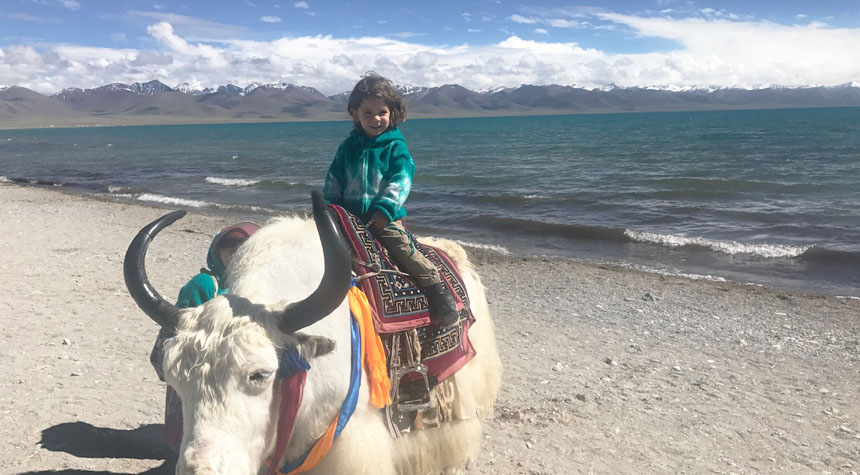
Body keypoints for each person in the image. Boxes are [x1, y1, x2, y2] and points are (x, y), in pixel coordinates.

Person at [322, 73, 459, 328]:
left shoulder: (396, 146)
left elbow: (401, 179)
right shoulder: (347, 147)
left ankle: (441, 296)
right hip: (349, 217)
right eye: (368, 113)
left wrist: (385, 209)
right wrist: (329, 205)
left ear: (392, 113)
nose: (376, 119)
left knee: (404, 250)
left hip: (385, 219)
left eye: (382, 112)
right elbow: (334, 176)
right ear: (355, 114)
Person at [149, 221, 261, 452]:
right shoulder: (203, 284)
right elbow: (182, 331)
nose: (237, 250)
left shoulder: (258, 287)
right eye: (230, 244)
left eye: (246, 244)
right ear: (216, 250)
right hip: (202, 369)